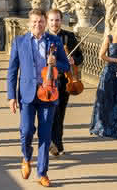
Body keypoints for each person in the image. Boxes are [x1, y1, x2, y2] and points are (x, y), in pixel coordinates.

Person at [8, 9, 71, 187]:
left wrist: (55, 63)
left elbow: (65, 65)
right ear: (29, 23)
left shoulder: (55, 41)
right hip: (27, 94)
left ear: (45, 23)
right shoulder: (19, 42)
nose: (38, 25)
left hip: (49, 93)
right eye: (34, 22)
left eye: (41, 22)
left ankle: (42, 172)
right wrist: (11, 96)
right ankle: (26, 157)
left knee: (45, 134)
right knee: (26, 130)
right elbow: (13, 71)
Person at [47, 9, 84, 156]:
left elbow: (80, 57)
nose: (54, 23)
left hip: (64, 80)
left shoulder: (69, 37)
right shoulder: (43, 37)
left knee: (60, 113)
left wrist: (73, 60)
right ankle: (52, 142)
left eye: (57, 20)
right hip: (47, 80)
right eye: (51, 20)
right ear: (47, 21)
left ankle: (57, 143)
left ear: (60, 21)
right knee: (50, 113)